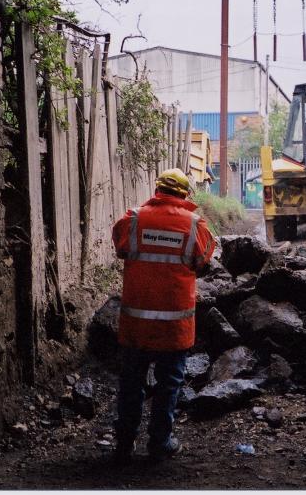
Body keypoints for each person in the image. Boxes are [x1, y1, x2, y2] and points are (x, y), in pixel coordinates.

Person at [110, 168, 215, 463]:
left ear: (158, 190)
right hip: (174, 325)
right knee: (169, 384)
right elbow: (203, 262)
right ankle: (159, 442)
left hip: (136, 324)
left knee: (131, 383)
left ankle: (124, 443)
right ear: (184, 194)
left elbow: (120, 248)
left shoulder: (132, 220)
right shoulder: (196, 226)